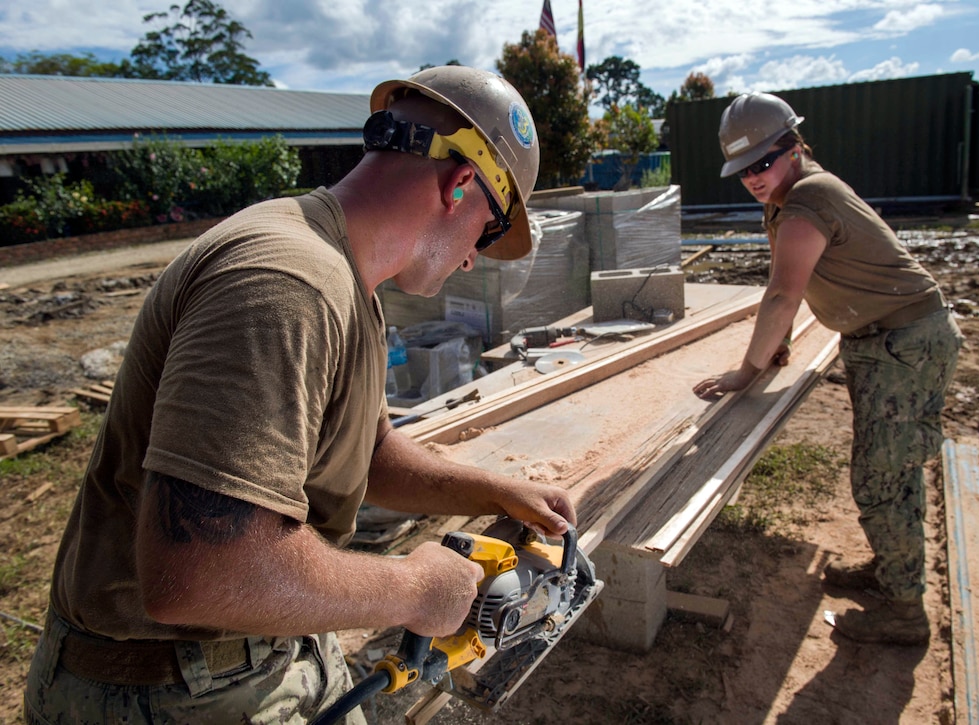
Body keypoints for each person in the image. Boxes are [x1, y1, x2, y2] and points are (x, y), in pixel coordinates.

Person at [23, 65, 575, 724]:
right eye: (487, 233)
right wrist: (413, 588)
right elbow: (201, 569)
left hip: (234, 661)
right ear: (459, 185)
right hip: (170, 692)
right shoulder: (291, 281)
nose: (470, 261)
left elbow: (366, 453)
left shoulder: (344, 277)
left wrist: (490, 490)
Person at [693, 93, 963, 646]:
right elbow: (799, 279)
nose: (752, 178)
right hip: (884, 341)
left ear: (793, 146)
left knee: (883, 478)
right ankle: (891, 573)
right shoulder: (787, 200)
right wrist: (780, 346)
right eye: (743, 170)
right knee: (885, 471)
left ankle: (904, 613)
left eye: (763, 163)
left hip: (903, 344)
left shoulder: (809, 196)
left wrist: (748, 371)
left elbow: (782, 294)